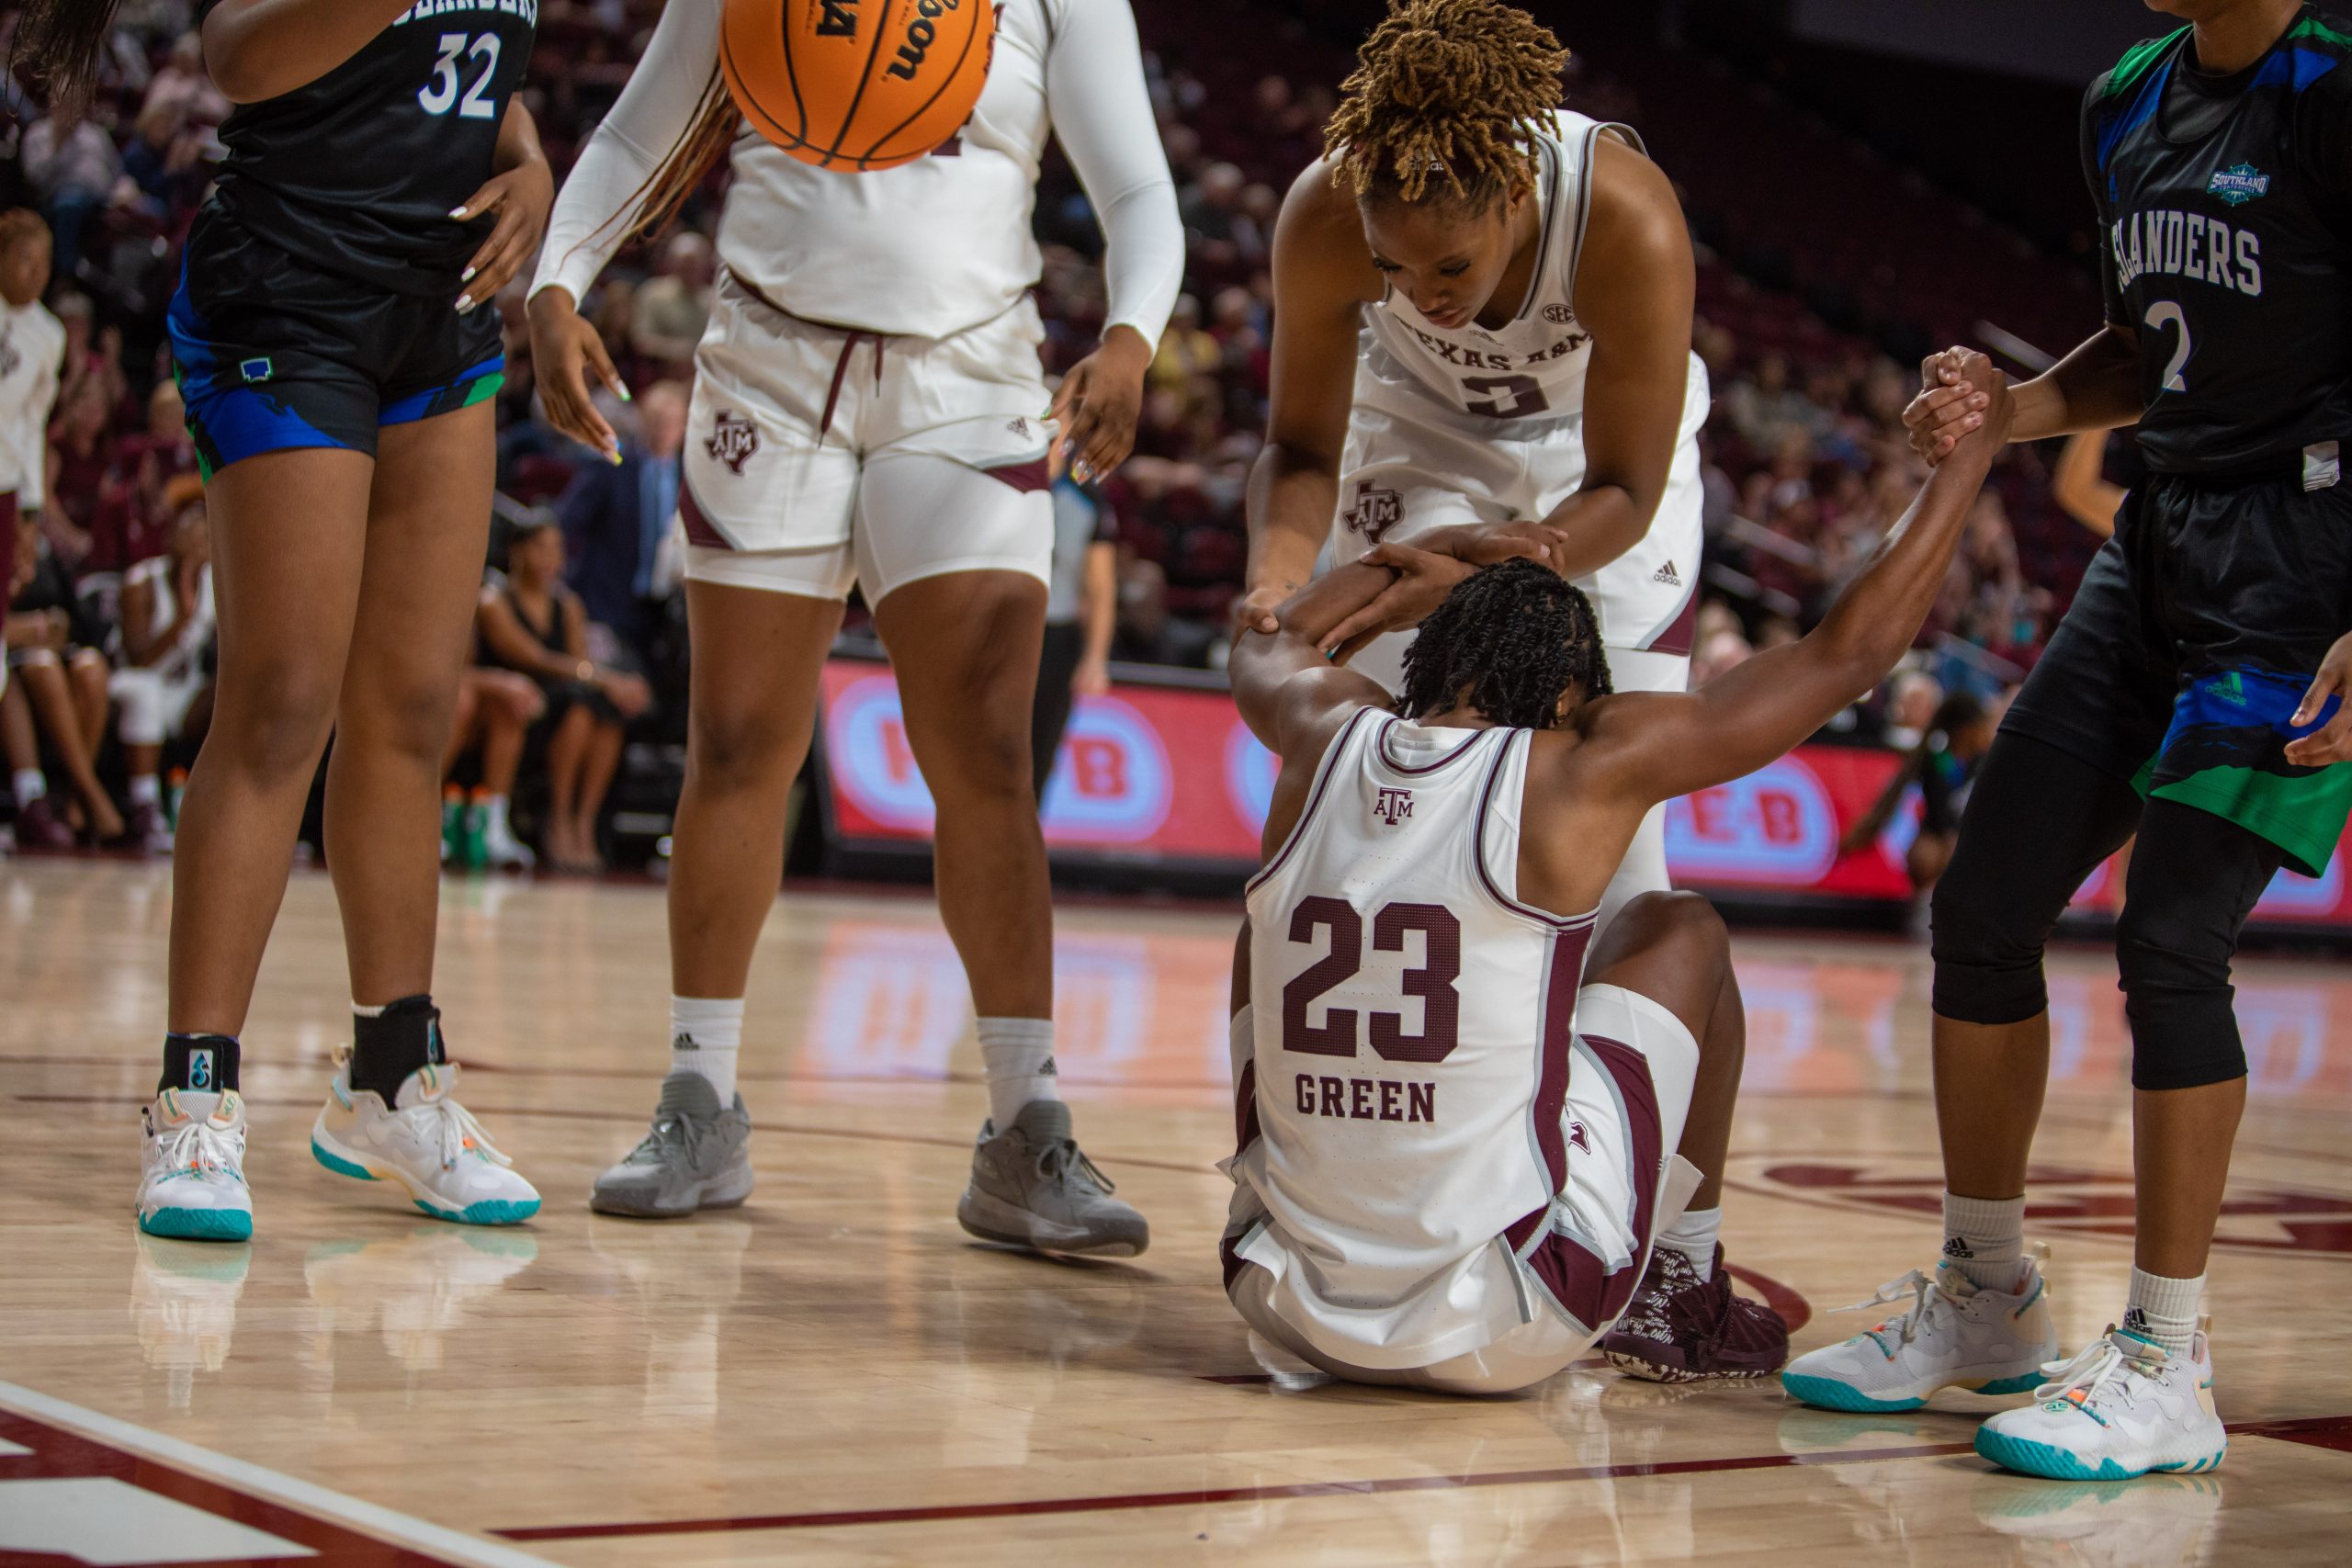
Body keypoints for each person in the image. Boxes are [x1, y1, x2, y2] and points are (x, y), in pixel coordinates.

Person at [1783, 0, 2352, 1483]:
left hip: (2305, 563)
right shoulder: (2124, 103)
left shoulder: (2333, 98)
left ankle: (2169, 1354)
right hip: (2159, 541)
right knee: (1981, 902)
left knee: (2171, 932)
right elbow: (2131, 353)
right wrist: (2005, 418)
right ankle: (1991, 1298)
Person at [1220, 349, 2016, 1394]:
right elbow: (1845, 655)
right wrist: (1970, 459)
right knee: (1674, 927)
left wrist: (1430, 557)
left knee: (1268, 927)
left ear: (1425, 653)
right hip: (1499, 1319)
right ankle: (1674, 1290)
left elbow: (1270, 634)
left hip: (1275, 1296)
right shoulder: (1581, 769)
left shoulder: (1318, 730)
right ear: (1573, 700)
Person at [527, 0, 1182, 1248]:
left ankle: (1024, 1124)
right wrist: (559, 279)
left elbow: (1139, 189)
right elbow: (628, 136)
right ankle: (699, 1094)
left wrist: (1131, 337)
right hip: (770, 371)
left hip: (968, 376)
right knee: (738, 744)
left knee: (985, 758)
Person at [11, 0, 553, 1241]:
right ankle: (193, 1095)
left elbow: (464, 67)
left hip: (441, 301)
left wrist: (528, 161)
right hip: (291, 293)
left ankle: (390, 1073)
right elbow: (243, 55)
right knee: (282, 696)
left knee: (413, 706)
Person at [1237, 0, 1711, 943]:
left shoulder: (1624, 218)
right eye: (1394, 271)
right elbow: (1297, 447)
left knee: (1617, 821)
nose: (1421, 296)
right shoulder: (1325, 210)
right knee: (1391, 769)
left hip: (1597, 460)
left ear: (1514, 194)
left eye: (1448, 267)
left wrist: (1498, 571)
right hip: (1417, 434)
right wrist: (1278, 583)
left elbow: (1622, 486)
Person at [476, 516, 650, 874]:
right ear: (517, 551)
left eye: (557, 550)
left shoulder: (568, 606)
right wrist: (606, 679)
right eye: (540, 548)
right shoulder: (494, 601)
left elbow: (578, 662)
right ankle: (556, 816)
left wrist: (608, 685)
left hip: (557, 702)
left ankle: (581, 821)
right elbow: (531, 657)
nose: (549, 559)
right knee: (580, 709)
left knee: (603, 713)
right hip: (511, 700)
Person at [5, 521, 120, 846]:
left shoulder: (47, 558)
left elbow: (74, 620)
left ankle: (74, 802)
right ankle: (88, 792)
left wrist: (53, 629)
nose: (27, 531)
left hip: (53, 652)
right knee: (45, 670)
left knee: (92, 668)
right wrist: (34, 629)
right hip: (17, 662)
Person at [555, 378, 684, 664]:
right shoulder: (611, 465)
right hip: (610, 603)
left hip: (665, 608)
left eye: (671, 421)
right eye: (656, 420)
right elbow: (567, 520)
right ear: (641, 420)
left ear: (684, 426)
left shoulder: (690, 477)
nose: (663, 429)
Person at [109, 499, 213, 852]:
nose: (198, 543)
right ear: (171, 537)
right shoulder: (141, 581)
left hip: (184, 691)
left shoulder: (216, 586)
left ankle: (215, 808)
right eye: (191, 532)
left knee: (232, 695)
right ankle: (144, 807)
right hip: (133, 682)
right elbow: (139, 660)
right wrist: (183, 619)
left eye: (205, 536)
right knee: (146, 692)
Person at [1842, 690, 1998, 895]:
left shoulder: (1982, 763)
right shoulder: (1937, 759)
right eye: (1981, 728)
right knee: (1931, 855)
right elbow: (1938, 809)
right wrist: (1949, 838)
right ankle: (1925, 901)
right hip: (1936, 837)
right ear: (1966, 730)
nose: (1986, 734)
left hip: (1968, 839)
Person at [1032, 474, 1118, 800]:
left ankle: (1021, 844)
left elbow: (1101, 587)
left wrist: (1096, 659)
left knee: (1040, 754)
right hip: (1003, 634)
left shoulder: (1086, 496)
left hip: (1056, 636)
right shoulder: (1006, 476)